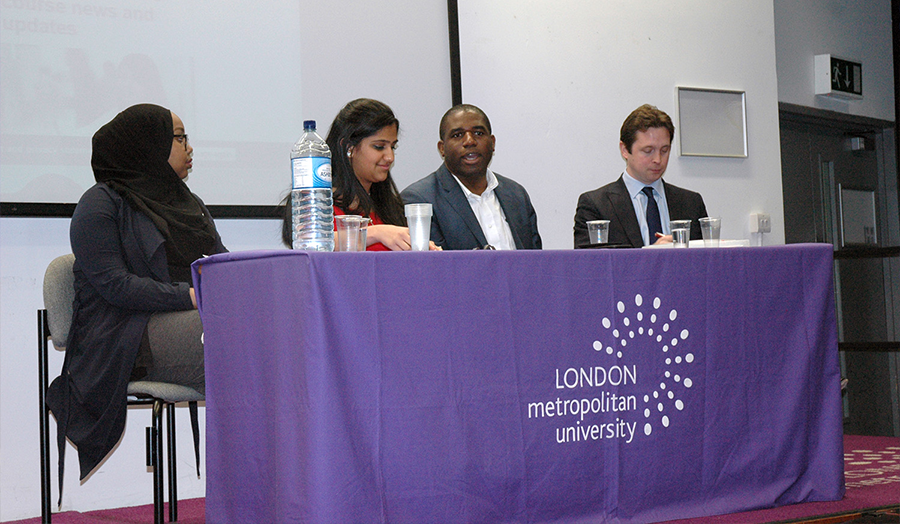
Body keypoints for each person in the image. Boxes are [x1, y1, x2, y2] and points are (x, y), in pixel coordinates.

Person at [46, 104, 227, 485]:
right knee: (235, 340)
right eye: (178, 138)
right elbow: (115, 286)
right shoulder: (99, 205)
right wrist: (191, 297)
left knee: (266, 334)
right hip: (126, 335)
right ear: (147, 145)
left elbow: (218, 264)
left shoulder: (188, 204)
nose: (189, 147)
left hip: (189, 322)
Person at [281, 98, 438, 251]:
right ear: (349, 148)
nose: (390, 157)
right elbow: (310, 245)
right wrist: (377, 233)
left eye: (393, 147)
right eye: (379, 147)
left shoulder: (390, 207)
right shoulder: (315, 202)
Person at [400, 104, 542, 250]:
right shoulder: (419, 199)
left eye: (479, 133)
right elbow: (433, 267)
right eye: (457, 135)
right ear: (442, 148)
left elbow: (537, 261)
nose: (470, 141)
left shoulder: (516, 194)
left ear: (492, 143)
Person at [573, 104, 708, 248]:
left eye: (664, 150)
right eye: (648, 150)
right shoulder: (596, 206)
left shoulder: (691, 203)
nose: (658, 159)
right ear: (625, 150)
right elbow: (590, 264)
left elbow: (706, 262)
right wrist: (652, 253)